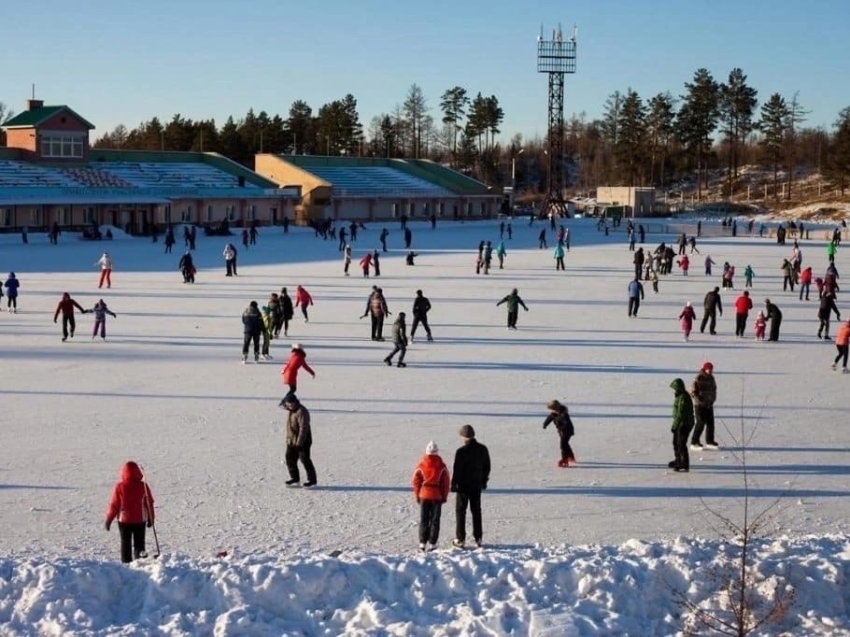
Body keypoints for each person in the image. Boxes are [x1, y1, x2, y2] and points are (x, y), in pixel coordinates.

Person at [104, 460, 155, 563]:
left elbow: (114, 504)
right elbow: (149, 503)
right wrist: (151, 518)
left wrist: (109, 519)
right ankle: (140, 562)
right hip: (140, 520)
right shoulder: (143, 486)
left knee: (125, 543)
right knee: (139, 544)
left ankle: (126, 564)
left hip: (124, 521)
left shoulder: (120, 486)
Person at [451, 424, 491, 549]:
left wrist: (454, 485)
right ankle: (478, 538)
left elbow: (457, 470)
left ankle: (460, 539)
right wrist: (484, 480)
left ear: (463, 436)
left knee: (460, 512)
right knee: (476, 511)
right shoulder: (482, 449)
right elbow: (487, 467)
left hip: (463, 487)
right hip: (476, 485)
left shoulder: (461, 451)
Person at [411, 441, 451, 551]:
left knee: (424, 519)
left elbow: (415, 481)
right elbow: (446, 483)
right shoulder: (442, 466)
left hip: (424, 495)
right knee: (435, 520)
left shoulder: (421, 465)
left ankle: (422, 543)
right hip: (437, 496)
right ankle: (432, 543)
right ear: (437, 452)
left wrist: (417, 495)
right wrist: (444, 496)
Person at [282, 394, 317, 488]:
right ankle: (295, 479)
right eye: (288, 404)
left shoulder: (302, 411)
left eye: (291, 404)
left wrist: (299, 443)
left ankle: (312, 481)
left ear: (295, 402)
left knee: (305, 460)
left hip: (303, 441)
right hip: (291, 440)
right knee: (290, 459)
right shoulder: (290, 410)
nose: (289, 406)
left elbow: (303, 428)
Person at [690, 361, 718, 450]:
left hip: (709, 405)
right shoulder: (698, 378)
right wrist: (700, 400)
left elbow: (714, 390)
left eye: (711, 370)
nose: (709, 371)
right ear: (705, 369)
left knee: (711, 424)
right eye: (708, 369)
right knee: (700, 423)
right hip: (699, 406)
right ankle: (694, 442)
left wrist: (712, 400)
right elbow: (693, 392)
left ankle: (710, 441)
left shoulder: (712, 378)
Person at [669, 378, 695, 472]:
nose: (674, 391)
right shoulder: (680, 396)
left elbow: (681, 414)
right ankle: (678, 460)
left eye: (675, 389)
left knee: (681, 443)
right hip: (681, 423)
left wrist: (675, 426)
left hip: (685, 424)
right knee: (676, 442)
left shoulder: (683, 397)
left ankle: (684, 464)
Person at [543, 400, 576, 467]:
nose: (551, 411)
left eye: (552, 409)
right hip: (561, 431)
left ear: (556, 408)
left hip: (567, 431)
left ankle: (564, 459)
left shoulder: (564, 415)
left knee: (563, 445)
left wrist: (563, 428)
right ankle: (571, 456)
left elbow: (567, 423)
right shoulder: (554, 413)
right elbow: (550, 418)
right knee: (565, 444)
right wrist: (545, 424)